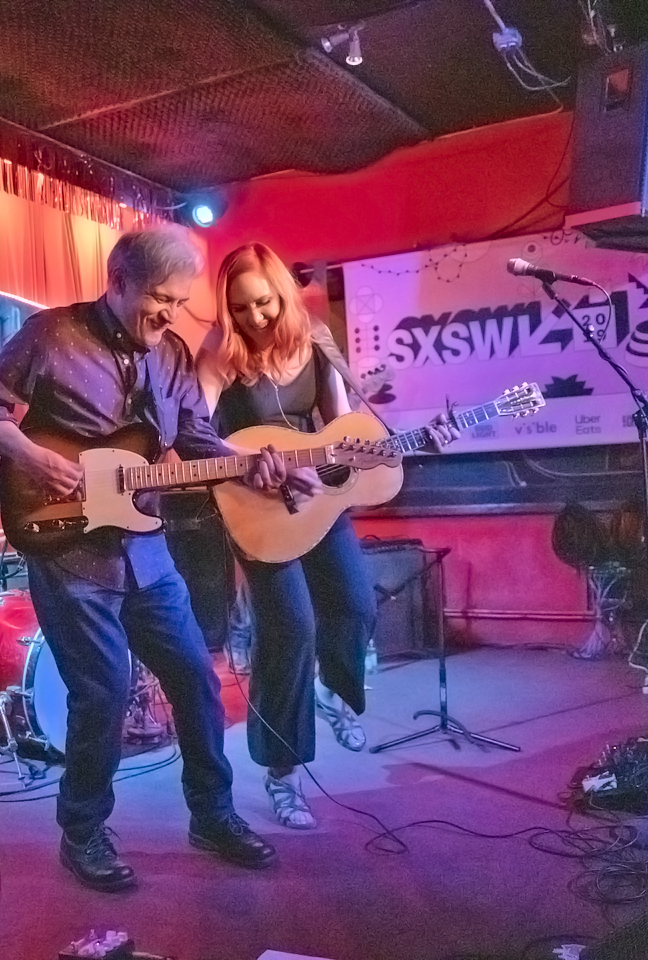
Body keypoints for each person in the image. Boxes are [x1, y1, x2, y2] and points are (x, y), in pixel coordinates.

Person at [0, 227, 280, 892]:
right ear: (118, 283)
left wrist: (253, 466)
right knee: (101, 693)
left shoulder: (170, 355)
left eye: (178, 302)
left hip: (146, 548)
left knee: (195, 678)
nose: (168, 313)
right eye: (159, 298)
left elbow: (194, 437)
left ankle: (212, 815)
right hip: (69, 549)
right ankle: (82, 831)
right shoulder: (51, 335)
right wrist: (29, 454)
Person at [195, 242, 457, 830]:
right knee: (290, 629)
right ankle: (283, 776)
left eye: (263, 303)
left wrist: (399, 443)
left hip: (314, 498)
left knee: (356, 606)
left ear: (283, 293)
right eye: (239, 309)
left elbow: (344, 431)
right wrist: (245, 460)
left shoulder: (313, 338)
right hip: (256, 505)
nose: (254, 319)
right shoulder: (220, 350)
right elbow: (194, 430)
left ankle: (333, 692)